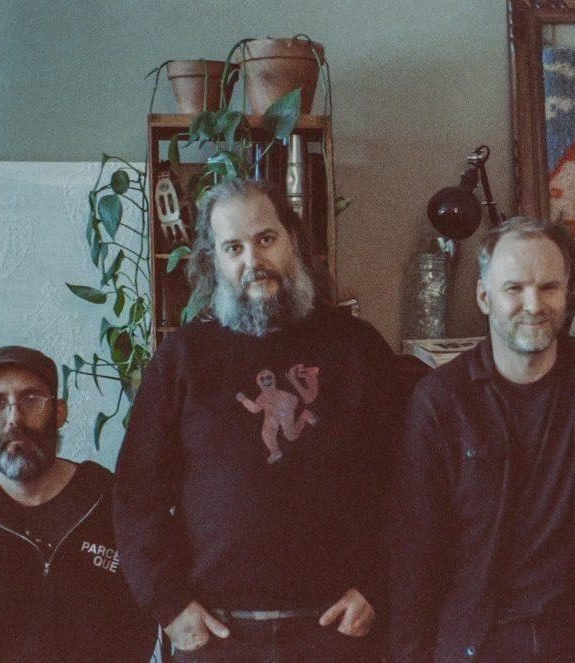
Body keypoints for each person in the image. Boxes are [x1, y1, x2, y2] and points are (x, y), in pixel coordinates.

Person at [113, 179, 396, 662]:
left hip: (337, 633)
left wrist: (377, 586)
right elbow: (137, 494)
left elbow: (408, 483)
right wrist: (168, 603)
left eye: (266, 239)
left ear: (293, 240)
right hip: (219, 637)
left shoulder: (358, 348)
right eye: (234, 248)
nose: (253, 261)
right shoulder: (182, 357)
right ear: (214, 261)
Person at [390, 217, 575, 662]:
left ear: (567, 293)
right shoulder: (441, 401)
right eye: (514, 288)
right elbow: (416, 550)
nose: (534, 304)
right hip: (479, 640)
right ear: (483, 297)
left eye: (549, 287)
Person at [0, 345, 155, 662]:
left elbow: (142, 623)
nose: (14, 419)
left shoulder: (112, 503)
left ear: (59, 412)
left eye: (31, 399)